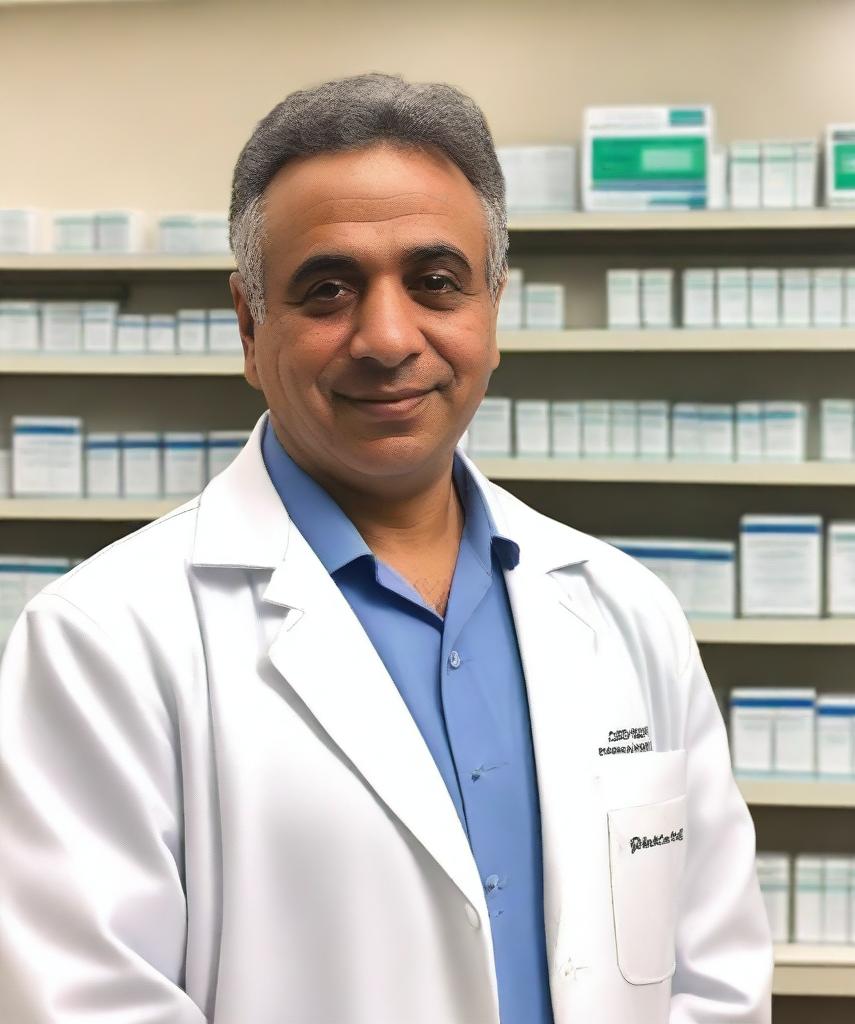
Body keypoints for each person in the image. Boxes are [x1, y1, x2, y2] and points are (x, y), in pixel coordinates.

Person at [0, 74, 772, 1023]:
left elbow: (715, 974)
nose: (387, 336)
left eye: (436, 282)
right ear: (249, 326)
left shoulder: (627, 611)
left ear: (493, 310)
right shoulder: (102, 640)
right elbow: (84, 1003)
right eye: (328, 290)